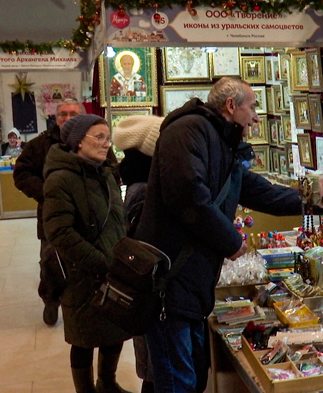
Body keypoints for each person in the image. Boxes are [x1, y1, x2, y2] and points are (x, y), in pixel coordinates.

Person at [133, 77, 303, 392]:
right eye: (251, 108)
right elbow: (188, 197)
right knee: (177, 380)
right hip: (168, 283)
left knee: (192, 375)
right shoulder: (188, 131)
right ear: (230, 106)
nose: (255, 117)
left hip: (192, 283)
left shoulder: (222, 143)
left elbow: (262, 193)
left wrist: (320, 200)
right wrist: (232, 242)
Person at [42, 114, 132, 393]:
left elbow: (119, 221)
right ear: (78, 141)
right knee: (83, 338)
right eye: (100, 137)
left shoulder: (106, 174)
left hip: (113, 270)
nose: (107, 144)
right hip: (80, 275)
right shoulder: (60, 179)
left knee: (113, 330)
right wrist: (100, 262)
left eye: (109, 138)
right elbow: (60, 233)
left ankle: (107, 382)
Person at [14, 98, 105, 326]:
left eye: (73, 114)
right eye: (63, 114)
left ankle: (91, 301)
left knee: (89, 261)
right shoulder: (39, 144)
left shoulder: (95, 141)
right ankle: (51, 300)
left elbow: (110, 172)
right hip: (52, 218)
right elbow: (21, 173)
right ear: (55, 118)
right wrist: (48, 193)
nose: (67, 118)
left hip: (90, 218)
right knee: (51, 263)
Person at [113, 115, 164, 393]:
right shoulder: (145, 192)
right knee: (156, 374)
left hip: (147, 294)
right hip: (150, 295)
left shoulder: (139, 186)